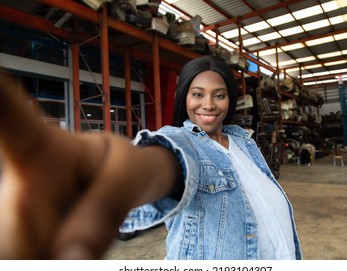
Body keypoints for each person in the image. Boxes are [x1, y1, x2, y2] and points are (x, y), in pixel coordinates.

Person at [0, 56, 301, 260]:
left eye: (219, 94)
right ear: (184, 96)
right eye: (198, 94)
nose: (208, 104)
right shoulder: (184, 140)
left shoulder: (244, 142)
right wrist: (109, 168)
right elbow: (161, 163)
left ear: (229, 99)